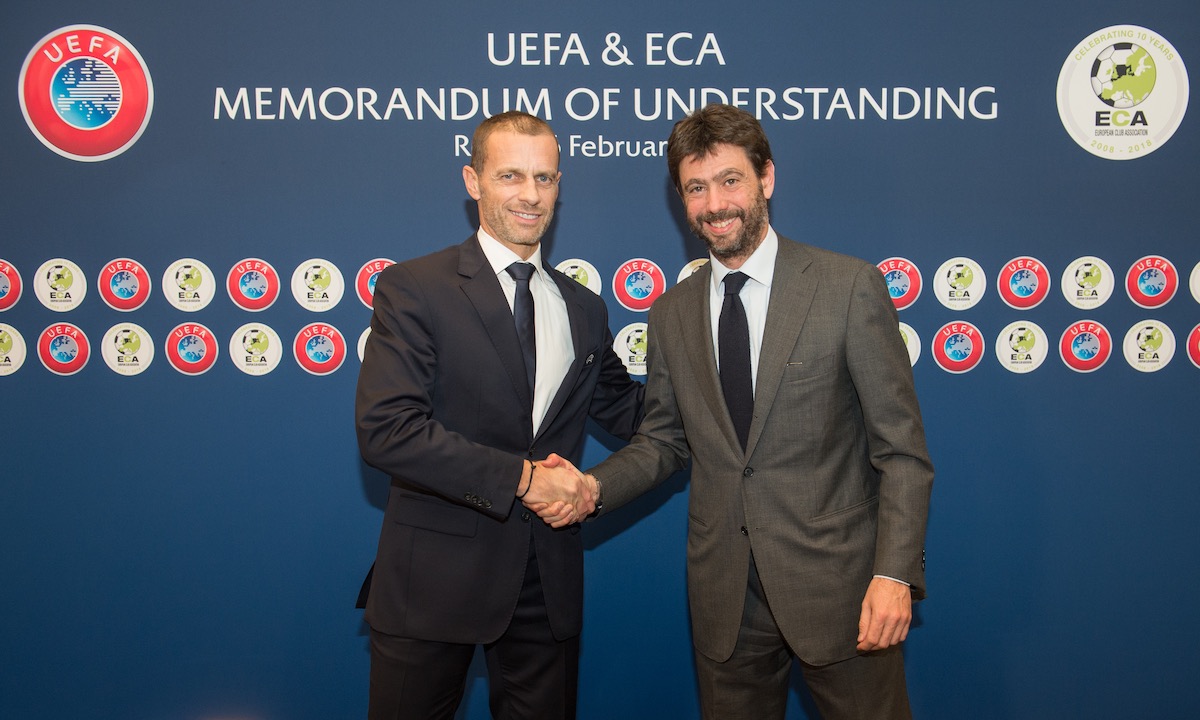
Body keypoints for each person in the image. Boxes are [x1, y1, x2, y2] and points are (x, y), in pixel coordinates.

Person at [541, 104, 934, 719]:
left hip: (842, 591)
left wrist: (894, 574)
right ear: (681, 199)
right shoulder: (671, 313)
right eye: (696, 188)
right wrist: (592, 486)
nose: (715, 203)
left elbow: (902, 451)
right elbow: (666, 440)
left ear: (766, 179)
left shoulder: (847, 287)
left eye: (730, 180)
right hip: (725, 596)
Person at [355, 110, 644, 720]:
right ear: (473, 180)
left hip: (548, 584)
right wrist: (525, 478)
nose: (530, 195)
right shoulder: (416, 287)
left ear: (559, 185)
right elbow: (388, 431)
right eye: (511, 175)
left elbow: (637, 414)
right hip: (431, 583)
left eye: (544, 178)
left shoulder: (584, 308)